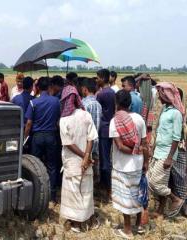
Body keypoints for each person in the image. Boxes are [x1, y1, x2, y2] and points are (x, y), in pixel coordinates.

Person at [110, 90, 149, 239]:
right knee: (137, 194)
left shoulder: (115, 121)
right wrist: (146, 161)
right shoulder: (139, 118)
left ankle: (127, 230)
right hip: (138, 164)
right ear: (130, 103)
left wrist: (135, 151)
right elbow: (145, 143)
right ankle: (138, 225)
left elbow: (119, 146)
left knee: (125, 198)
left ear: (117, 103)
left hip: (122, 165)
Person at [59, 90, 99, 233]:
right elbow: (91, 137)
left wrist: (84, 156)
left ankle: (76, 223)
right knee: (86, 191)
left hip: (73, 161)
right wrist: (87, 156)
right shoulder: (86, 114)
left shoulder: (63, 120)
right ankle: (87, 220)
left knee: (73, 191)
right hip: (86, 161)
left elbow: (68, 143)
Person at [147, 82, 184, 218]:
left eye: (160, 94)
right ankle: (160, 211)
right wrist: (153, 149)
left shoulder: (176, 113)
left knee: (155, 182)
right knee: (155, 181)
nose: (158, 97)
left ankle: (175, 199)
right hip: (159, 152)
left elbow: (176, 137)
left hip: (167, 153)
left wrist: (169, 157)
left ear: (166, 95)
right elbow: (160, 133)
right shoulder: (165, 110)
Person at [25, 77, 61, 201]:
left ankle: (37, 192)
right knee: (52, 166)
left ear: (38, 87)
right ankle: (52, 195)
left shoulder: (33, 102)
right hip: (51, 136)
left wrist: (25, 137)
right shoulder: (56, 101)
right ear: (50, 86)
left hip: (37, 137)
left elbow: (29, 123)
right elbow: (58, 120)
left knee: (36, 165)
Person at [170, 88, 187, 217]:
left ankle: (183, 207)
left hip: (181, 148)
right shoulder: (167, 110)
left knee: (180, 178)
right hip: (168, 149)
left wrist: (184, 128)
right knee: (169, 179)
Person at [96, 68, 116, 198]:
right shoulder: (113, 92)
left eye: (97, 77)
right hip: (110, 127)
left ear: (102, 79)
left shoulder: (101, 94)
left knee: (104, 161)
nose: (96, 80)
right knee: (107, 158)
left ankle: (108, 188)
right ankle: (105, 184)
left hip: (103, 128)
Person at [81, 78, 102, 185]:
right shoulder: (98, 104)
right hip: (96, 140)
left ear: (85, 89)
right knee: (94, 165)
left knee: (85, 167)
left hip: (85, 142)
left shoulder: (83, 104)